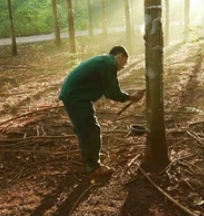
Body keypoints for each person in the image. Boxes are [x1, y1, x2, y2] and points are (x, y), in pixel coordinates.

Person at [59, 46, 145, 177]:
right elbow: (113, 93)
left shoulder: (103, 61)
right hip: (76, 97)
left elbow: (109, 89)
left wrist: (131, 92)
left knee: (83, 128)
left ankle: (89, 156)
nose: (122, 68)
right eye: (124, 64)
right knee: (91, 129)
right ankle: (94, 167)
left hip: (73, 95)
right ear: (119, 56)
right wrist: (131, 97)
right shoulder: (108, 64)